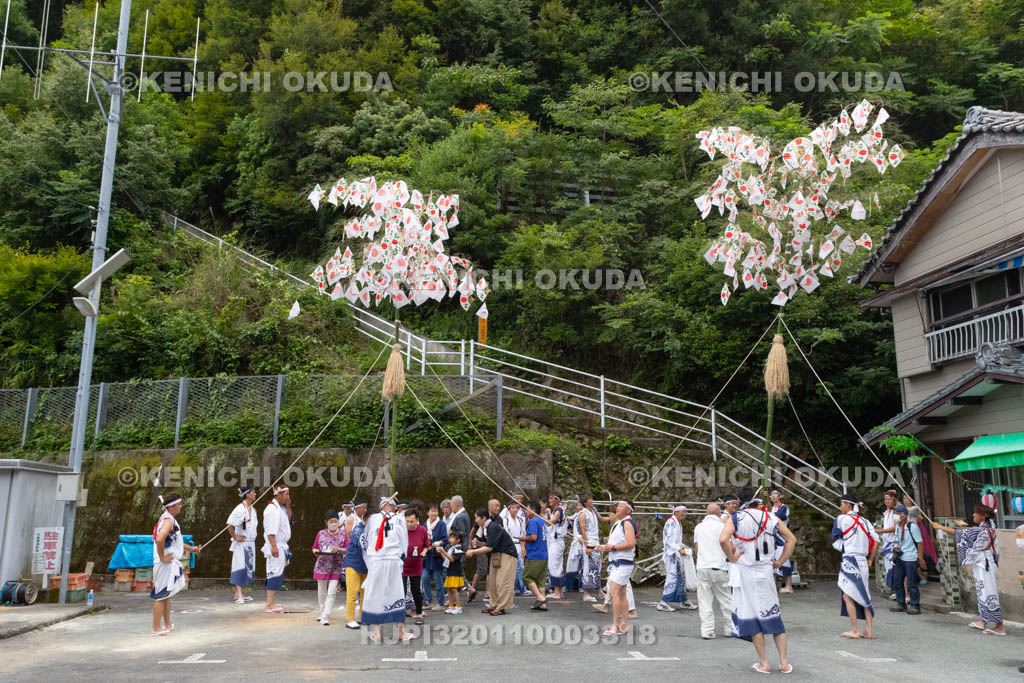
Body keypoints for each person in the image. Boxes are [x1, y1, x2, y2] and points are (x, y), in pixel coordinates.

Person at [720, 487, 795, 675]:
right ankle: (784, 663)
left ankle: (764, 663)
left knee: (753, 617)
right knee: (773, 614)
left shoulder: (736, 518)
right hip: (766, 571)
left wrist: (732, 557)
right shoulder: (771, 517)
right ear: (757, 501)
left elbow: (723, 539)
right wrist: (779, 562)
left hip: (746, 571)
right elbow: (791, 540)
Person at [932, 504, 1006, 635]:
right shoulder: (988, 527)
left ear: (983, 516)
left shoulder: (982, 530)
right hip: (983, 564)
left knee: (989, 594)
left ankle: (999, 627)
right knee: (983, 593)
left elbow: (959, 533)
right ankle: (984, 621)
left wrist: (939, 527)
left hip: (985, 566)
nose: (973, 515)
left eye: (976, 513)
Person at [360, 495, 414, 642]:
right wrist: (401, 559)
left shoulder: (373, 519)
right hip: (393, 560)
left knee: (376, 593)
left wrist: (369, 560)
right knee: (396, 592)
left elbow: (365, 541)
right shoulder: (399, 519)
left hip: (377, 560)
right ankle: (401, 631)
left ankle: (377, 632)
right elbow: (405, 543)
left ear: (381, 506)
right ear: (394, 507)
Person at [150, 493, 200, 635]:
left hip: (169, 562)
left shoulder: (170, 519)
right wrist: (162, 557)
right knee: (161, 595)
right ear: (171, 506)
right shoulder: (168, 520)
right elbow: (160, 539)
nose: (181, 506)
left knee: (167, 595)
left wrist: (191, 549)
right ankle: (156, 628)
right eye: (179, 504)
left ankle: (166, 624)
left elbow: (175, 542)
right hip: (164, 563)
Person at [832, 498, 879, 639]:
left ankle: (855, 630)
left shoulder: (841, 519)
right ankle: (869, 630)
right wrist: (871, 558)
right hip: (863, 560)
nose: (840, 507)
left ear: (847, 505)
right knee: (865, 594)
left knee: (847, 595)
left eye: (841, 504)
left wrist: (843, 546)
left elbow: (835, 539)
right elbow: (876, 540)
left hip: (850, 559)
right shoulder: (865, 521)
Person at [467, 505, 518, 615]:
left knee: (502, 581)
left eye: (477, 518)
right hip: (496, 554)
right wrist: (480, 544)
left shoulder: (493, 527)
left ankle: (501, 607)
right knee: (493, 582)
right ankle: (493, 605)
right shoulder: (486, 528)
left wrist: (472, 552)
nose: (475, 521)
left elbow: (489, 547)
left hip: (507, 554)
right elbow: (490, 544)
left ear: (484, 518)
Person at [597, 500, 637, 636]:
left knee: (613, 593)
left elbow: (631, 543)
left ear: (628, 510)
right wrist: (605, 547)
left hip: (623, 563)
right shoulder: (619, 523)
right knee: (621, 594)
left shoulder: (627, 523)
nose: (618, 508)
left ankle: (615, 625)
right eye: (618, 506)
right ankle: (624, 624)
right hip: (618, 562)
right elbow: (615, 544)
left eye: (621, 506)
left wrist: (612, 547)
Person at [692, 504, 732, 639]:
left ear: (706, 514)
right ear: (719, 514)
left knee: (704, 600)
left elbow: (696, 548)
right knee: (726, 599)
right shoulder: (722, 527)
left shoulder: (699, 527)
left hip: (702, 566)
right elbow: (729, 546)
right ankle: (730, 628)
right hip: (719, 566)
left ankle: (707, 630)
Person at [659, 505, 697, 611]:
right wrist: (678, 549)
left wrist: (683, 546)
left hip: (676, 553)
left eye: (685, 512)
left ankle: (683, 600)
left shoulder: (677, 523)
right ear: (676, 512)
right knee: (672, 578)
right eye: (682, 512)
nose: (684, 514)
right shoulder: (671, 522)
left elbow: (676, 541)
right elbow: (668, 540)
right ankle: (663, 602)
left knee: (681, 578)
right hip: (672, 554)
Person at [312, 509, 347, 626]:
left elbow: (347, 549)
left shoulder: (343, 534)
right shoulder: (320, 533)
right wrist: (316, 551)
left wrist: (339, 549)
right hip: (322, 566)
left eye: (335, 521)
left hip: (336, 566)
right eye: (331, 521)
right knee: (321, 591)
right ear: (326, 522)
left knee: (332, 592)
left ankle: (326, 615)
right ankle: (322, 612)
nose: (333, 523)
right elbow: (315, 548)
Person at [889, 504, 924, 615]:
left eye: (897, 513)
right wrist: (896, 550)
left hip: (911, 558)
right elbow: (900, 541)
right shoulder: (898, 527)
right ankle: (901, 603)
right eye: (894, 514)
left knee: (911, 582)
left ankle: (915, 605)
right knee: (898, 581)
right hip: (901, 557)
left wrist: (920, 557)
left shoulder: (912, 526)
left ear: (904, 515)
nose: (895, 516)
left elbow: (920, 542)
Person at [262, 485, 292, 614]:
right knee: (274, 573)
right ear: (278, 495)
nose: (288, 496)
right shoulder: (272, 509)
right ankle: (269, 604)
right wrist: (274, 546)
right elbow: (270, 530)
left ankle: (271, 602)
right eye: (286, 494)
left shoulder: (281, 508)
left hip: (281, 545)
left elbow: (289, 520)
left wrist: (289, 506)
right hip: (276, 545)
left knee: (277, 573)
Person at [226, 485, 257, 604]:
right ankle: (239, 593)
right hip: (241, 542)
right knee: (239, 566)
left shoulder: (252, 509)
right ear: (247, 494)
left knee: (248, 567)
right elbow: (229, 524)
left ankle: (238, 593)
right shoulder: (240, 508)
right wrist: (235, 537)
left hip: (250, 542)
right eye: (253, 492)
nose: (255, 494)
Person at [342, 503, 369, 629]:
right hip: (353, 562)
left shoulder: (373, 530)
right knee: (353, 591)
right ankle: (350, 619)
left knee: (365, 591)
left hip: (366, 564)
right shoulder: (358, 529)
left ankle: (362, 617)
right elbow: (360, 542)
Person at [403, 507, 430, 625]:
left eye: (412, 521)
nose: (409, 524)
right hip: (402, 565)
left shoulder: (422, 530)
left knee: (416, 590)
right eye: (407, 521)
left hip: (416, 564)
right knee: (401, 591)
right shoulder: (401, 530)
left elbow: (426, 545)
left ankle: (419, 614)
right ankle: (399, 614)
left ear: (417, 520)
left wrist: (424, 552)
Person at [521, 500, 549, 611]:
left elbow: (533, 537)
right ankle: (542, 604)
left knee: (526, 577)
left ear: (533, 510)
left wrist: (523, 538)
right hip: (544, 554)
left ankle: (540, 598)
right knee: (540, 580)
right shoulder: (542, 521)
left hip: (535, 554)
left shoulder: (533, 521)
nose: (526, 511)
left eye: (527, 508)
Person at [576, 495, 603, 602]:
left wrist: (613, 517)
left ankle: (599, 590)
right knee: (588, 567)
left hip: (596, 541)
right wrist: (587, 546)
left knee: (597, 565)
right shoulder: (582, 514)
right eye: (590, 500)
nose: (593, 501)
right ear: (585, 502)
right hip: (589, 541)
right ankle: (586, 593)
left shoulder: (594, 511)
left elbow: (601, 518)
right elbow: (582, 530)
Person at [422, 504, 448, 611]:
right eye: (432, 511)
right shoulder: (425, 524)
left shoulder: (441, 524)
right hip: (427, 556)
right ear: (427, 512)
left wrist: (435, 544)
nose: (434, 513)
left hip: (437, 555)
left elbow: (445, 539)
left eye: (436, 511)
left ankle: (440, 603)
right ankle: (428, 601)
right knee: (424, 578)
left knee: (438, 580)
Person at [769, 490, 794, 594]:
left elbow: (777, 516)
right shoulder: (772, 508)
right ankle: (772, 584)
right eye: (772, 495)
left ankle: (789, 586)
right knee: (772, 559)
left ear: (780, 497)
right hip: (773, 537)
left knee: (785, 559)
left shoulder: (784, 507)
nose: (773, 496)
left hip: (783, 537)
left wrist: (768, 512)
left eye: (776, 494)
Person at [543, 493, 568, 598]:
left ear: (557, 500)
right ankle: (560, 591)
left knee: (554, 566)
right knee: (558, 565)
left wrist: (538, 515)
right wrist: (549, 513)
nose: (549, 500)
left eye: (551, 498)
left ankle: (557, 591)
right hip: (556, 541)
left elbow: (549, 523)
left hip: (556, 541)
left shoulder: (559, 510)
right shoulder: (557, 510)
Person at [876, 490, 899, 597]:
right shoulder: (886, 512)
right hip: (886, 543)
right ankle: (893, 589)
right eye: (886, 499)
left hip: (894, 543)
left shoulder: (896, 511)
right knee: (888, 567)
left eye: (889, 499)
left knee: (894, 567)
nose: (887, 501)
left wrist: (879, 531)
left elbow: (894, 528)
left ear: (894, 500)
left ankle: (897, 591)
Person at [438, 529, 466, 614]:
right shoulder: (451, 548)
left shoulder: (459, 549)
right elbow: (446, 559)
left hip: (456, 572)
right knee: (449, 589)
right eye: (450, 538)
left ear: (458, 540)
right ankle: (451, 606)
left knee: (454, 589)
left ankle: (458, 607)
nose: (450, 539)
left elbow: (452, 559)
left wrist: (443, 551)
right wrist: (441, 552)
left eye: (452, 538)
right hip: (450, 571)